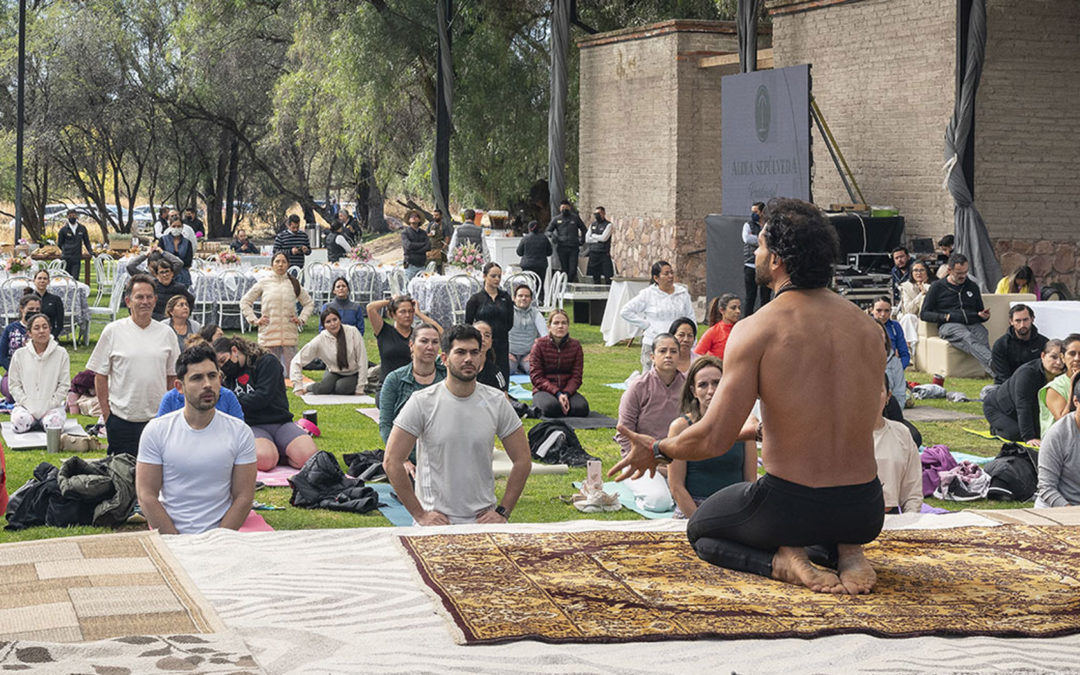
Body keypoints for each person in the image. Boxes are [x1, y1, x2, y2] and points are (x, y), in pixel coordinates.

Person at [612, 197, 886, 595]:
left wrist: (657, 448)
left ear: (776, 259)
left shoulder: (759, 329)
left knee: (702, 528)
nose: (755, 253)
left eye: (758, 246)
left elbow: (713, 437)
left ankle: (782, 561)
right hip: (865, 508)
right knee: (827, 514)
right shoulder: (867, 329)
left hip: (792, 507)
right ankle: (849, 551)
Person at [383, 324, 531, 525]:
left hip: (483, 521)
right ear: (444, 359)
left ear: (481, 357)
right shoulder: (422, 401)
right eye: (460, 352)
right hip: (436, 522)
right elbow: (392, 461)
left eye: (474, 352)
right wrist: (420, 515)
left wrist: (503, 511)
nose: (468, 358)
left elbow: (523, 459)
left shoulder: (496, 401)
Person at [136, 344, 257, 535]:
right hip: (171, 538)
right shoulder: (156, 431)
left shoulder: (240, 432)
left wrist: (218, 541)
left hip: (222, 539)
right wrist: (176, 542)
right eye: (197, 378)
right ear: (179, 387)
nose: (207, 384)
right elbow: (146, 495)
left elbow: (244, 497)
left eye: (212, 376)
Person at [87, 273, 181, 455]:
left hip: (157, 419)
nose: (144, 301)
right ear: (128, 301)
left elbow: (172, 376)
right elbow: (100, 376)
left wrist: (167, 412)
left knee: (157, 475)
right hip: (121, 419)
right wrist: (107, 415)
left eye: (149, 297)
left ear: (155, 300)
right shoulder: (113, 331)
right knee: (122, 475)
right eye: (139, 297)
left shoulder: (166, 333)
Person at [667, 356, 756, 520]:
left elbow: (750, 481)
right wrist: (700, 522)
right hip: (693, 513)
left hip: (734, 510)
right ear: (694, 391)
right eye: (703, 385)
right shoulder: (680, 428)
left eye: (717, 383)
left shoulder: (744, 426)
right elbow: (676, 487)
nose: (711, 390)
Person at [214, 336, 318, 471]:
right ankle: (277, 453)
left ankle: (281, 452)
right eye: (219, 365)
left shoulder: (267, 362)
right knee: (265, 460)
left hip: (280, 422)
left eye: (223, 360)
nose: (223, 366)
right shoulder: (224, 376)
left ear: (234, 350)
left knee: (308, 457)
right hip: (250, 425)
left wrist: (233, 402)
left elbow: (263, 397)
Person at [613, 334, 684, 513]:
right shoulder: (638, 387)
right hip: (640, 459)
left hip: (680, 461)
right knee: (659, 502)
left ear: (680, 356)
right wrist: (646, 459)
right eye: (663, 351)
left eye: (673, 351)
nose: (668, 355)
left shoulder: (688, 387)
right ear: (652, 356)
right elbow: (624, 433)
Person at [919, 253, 992, 375]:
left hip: (971, 322)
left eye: (965, 272)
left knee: (982, 333)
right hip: (949, 325)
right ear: (949, 270)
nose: (963, 276)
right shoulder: (937, 287)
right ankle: (997, 365)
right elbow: (924, 314)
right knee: (967, 336)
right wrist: (944, 317)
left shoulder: (972, 286)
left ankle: (996, 375)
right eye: (959, 273)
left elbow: (979, 310)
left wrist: (984, 316)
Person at [240, 252, 315, 371]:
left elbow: (308, 303)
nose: (280, 265)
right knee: (268, 372)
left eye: (284, 262)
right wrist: (254, 319)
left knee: (292, 373)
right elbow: (245, 302)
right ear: (272, 265)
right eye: (277, 262)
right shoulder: (264, 283)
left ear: (288, 265)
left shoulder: (294, 283)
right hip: (268, 334)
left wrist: (301, 319)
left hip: (289, 335)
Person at [983, 340, 1064, 446]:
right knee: (1017, 434)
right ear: (1043, 356)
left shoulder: (1065, 373)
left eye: (1062, 358)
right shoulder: (1027, 374)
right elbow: (1023, 406)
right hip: (997, 408)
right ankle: (995, 428)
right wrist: (1029, 437)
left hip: (1026, 409)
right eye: (1053, 357)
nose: (1059, 363)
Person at [620, 260, 695, 373]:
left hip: (676, 344)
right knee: (650, 378)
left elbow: (690, 317)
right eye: (666, 274)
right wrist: (646, 325)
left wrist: (692, 338)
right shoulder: (648, 294)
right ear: (656, 278)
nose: (670, 276)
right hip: (653, 342)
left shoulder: (682, 293)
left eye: (671, 273)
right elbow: (626, 311)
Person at [378, 323, 446, 444]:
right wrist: (402, 459)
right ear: (411, 345)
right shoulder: (394, 379)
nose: (430, 347)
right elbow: (385, 425)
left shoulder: (447, 377)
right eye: (424, 341)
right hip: (406, 454)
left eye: (435, 342)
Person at [8, 313, 69, 433]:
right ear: (29, 333)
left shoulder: (61, 353)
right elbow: (14, 384)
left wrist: (51, 403)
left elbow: (64, 384)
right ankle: (32, 421)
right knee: (19, 423)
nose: (41, 331)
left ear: (49, 330)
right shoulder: (19, 354)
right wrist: (26, 402)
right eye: (36, 328)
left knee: (54, 425)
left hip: (51, 407)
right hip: (26, 406)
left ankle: (42, 422)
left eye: (45, 327)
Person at [871, 377, 923, 514]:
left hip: (893, 519)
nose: (871, 397)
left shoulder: (901, 433)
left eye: (877, 390)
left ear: (888, 396)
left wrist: (910, 522)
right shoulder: (841, 437)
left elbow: (913, 494)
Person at [290, 307, 368, 396]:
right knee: (324, 388)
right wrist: (298, 387)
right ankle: (308, 388)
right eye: (328, 322)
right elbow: (297, 361)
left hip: (354, 373)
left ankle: (336, 386)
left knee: (341, 388)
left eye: (335, 320)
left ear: (340, 319)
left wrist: (360, 388)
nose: (333, 324)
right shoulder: (320, 339)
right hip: (334, 371)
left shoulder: (353, 332)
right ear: (323, 325)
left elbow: (363, 359)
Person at [368, 295, 442, 388]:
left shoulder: (417, 334)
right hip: (388, 385)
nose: (407, 315)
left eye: (410, 311)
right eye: (402, 311)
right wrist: (390, 301)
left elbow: (441, 332)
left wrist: (419, 313)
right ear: (393, 315)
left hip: (413, 385)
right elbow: (371, 308)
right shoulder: (384, 331)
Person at [529, 309, 588, 417]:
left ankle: (563, 402)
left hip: (568, 390)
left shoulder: (576, 346)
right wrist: (557, 393)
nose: (560, 326)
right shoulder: (539, 345)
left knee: (581, 409)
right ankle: (553, 403)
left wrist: (565, 393)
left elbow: (577, 376)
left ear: (568, 326)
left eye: (564, 323)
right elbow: (536, 377)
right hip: (544, 390)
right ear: (549, 327)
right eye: (556, 323)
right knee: (551, 408)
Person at [465, 262, 513, 386]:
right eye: (493, 276)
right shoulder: (476, 299)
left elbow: (510, 322)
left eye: (499, 276)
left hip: (501, 342)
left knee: (502, 374)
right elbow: (468, 325)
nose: (497, 279)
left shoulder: (505, 297)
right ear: (484, 276)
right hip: (483, 344)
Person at [1035, 375, 1080, 508]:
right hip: (1057, 508)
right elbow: (1046, 488)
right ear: (1076, 401)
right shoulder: (1057, 434)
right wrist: (1071, 512)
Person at [127, 249, 194, 321]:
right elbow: (130, 266)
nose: (165, 275)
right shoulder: (149, 284)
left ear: (172, 273)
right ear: (157, 275)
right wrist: (145, 255)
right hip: (153, 319)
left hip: (172, 320)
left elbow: (179, 263)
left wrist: (163, 252)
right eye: (162, 272)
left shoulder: (179, 287)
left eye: (167, 272)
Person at [991, 304, 1049, 385]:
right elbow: (1003, 376)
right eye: (1018, 321)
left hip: (1035, 386)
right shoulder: (1001, 345)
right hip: (1006, 387)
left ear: (1032, 319)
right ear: (1011, 321)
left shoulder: (1044, 343)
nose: (1022, 325)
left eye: (1025, 320)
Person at [0, 295, 42, 401]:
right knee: (12, 394)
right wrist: (14, 370)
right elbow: (2, 355)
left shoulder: (42, 330)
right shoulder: (11, 329)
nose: (34, 312)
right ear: (22, 309)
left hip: (38, 374)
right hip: (13, 372)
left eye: (37, 310)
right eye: (31, 309)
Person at [871, 297, 910, 406]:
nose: (883, 314)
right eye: (879, 310)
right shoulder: (865, 326)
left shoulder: (895, 327)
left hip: (893, 370)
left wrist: (898, 369)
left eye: (887, 311)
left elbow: (905, 354)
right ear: (871, 310)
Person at [1041, 334, 1080, 436]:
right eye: (1072, 354)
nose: (1077, 358)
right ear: (1063, 357)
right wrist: (1073, 384)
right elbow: (1063, 423)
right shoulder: (1054, 388)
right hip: (1059, 442)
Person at [508, 284, 546, 375]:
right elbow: (497, 334)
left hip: (528, 354)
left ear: (531, 299)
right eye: (520, 296)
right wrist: (505, 353)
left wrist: (534, 353)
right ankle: (517, 367)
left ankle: (522, 367)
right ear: (514, 298)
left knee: (535, 371)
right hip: (510, 354)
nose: (523, 298)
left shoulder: (536, 314)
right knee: (508, 370)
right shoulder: (507, 312)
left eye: (527, 296)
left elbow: (545, 337)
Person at [546, 200, 587, 283]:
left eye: (566, 207)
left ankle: (570, 283)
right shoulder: (556, 219)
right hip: (562, 247)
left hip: (573, 247)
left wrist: (582, 240)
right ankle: (565, 287)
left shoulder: (575, 218)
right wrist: (553, 236)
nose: (564, 209)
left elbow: (584, 229)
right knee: (564, 269)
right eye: (562, 207)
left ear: (569, 208)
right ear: (560, 208)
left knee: (572, 270)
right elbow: (548, 231)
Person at [741, 202, 770, 315]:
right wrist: (763, 240)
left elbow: (772, 239)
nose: (753, 214)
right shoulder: (748, 225)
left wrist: (759, 239)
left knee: (765, 296)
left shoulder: (768, 225)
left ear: (762, 212)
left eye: (755, 212)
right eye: (752, 212)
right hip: (750, 265)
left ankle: (765, 318)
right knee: (750, 296)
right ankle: (747, 318)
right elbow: (747, 239)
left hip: (765, 265)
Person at [897, 260, 932, 353]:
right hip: (913, 317)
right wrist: (921, 295)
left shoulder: (934, 285)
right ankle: (909, 349)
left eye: (922, 270)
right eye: (915, 270)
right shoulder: (906, 287)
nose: (918, 273)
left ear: (927, 272)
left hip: (929, 317)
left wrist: (926, 289)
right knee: (909, 318)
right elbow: (909, 310)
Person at [694, 294, 740, 360]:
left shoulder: (741, 329)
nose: (738, 311)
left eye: (739, 308)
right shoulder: (713, 332)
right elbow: (696, 355)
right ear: (722, 310)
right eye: (733, 308)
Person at [515, 220, 553, 301]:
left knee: (528, 284)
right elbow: (550, 252)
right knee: (540, 284)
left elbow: (519, 252)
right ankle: (540, 301)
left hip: (527, 265)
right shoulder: (544, 238)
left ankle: (527, 300)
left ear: (529, 228)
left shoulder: (525, 238)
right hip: (541, 265)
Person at [158, 211, 195, 285]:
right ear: (170, 226)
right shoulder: (163, 240)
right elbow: (160, 258)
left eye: (179, 226)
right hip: (166, 276)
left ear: (182, 227)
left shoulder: (187, 242)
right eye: (174, 226)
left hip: (183, 278)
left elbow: (188, 261)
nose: (176, 228)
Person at [56, 209, 93, 279]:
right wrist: (65, 249)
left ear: (77, 216)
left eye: (74, 215)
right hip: (66, 257)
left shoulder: (82, 228)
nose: (72, 217)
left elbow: (86, 241)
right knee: (65, 278)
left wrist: (90, 251)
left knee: (75, 278)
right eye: (70, 216)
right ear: (67, 217)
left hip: (76, 257)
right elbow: (59, 243)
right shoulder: (63, 230)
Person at [29, 269, 65, 340]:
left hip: (50, 336)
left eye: (45, 278)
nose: (42, 281)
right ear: (34, 281)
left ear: (48, 282)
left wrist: (52, 337)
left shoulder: (56, 299)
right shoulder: (28, 299)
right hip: (31, 337)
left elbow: (60, 324)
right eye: (39, 278)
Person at [472, 321, 507, 391]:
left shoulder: (495, 372)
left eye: (487, 335)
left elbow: (504, 398)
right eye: (478, 334)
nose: (482, 339)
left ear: (491, 342)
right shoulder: (459, 367)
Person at [584, 206, 614, 285]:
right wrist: (598, 239)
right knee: (595, 277)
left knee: (608, 276)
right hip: (593, 254)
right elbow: (587, 239)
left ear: (604, 214)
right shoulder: (592, 225)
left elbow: (604, 238)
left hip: (604, 254)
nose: (596, 215)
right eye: (595, 214)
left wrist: (593, 236)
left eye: (599, 213)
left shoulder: (608, 225)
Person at [400, 210, 430, 281]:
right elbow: (408, 246)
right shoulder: (405, 233)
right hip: (410, 264)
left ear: (419, 219)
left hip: (422, 264)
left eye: (416, 216)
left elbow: (428, 246)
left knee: (421, 287)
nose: (413, 218)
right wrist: (422, 245)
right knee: (408, 287)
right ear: (408, 220)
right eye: (411, 216)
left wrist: (414, 250)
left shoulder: (423, 233)